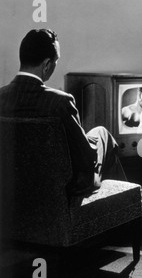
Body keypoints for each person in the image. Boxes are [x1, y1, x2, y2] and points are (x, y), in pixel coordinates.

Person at [0, 28, 127, 195]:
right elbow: (85, 158)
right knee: (103, 134)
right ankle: (126, 209)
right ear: (46, 65)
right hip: (63, 187)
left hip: (16, 186)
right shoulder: (60, 101)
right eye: (56, 61)